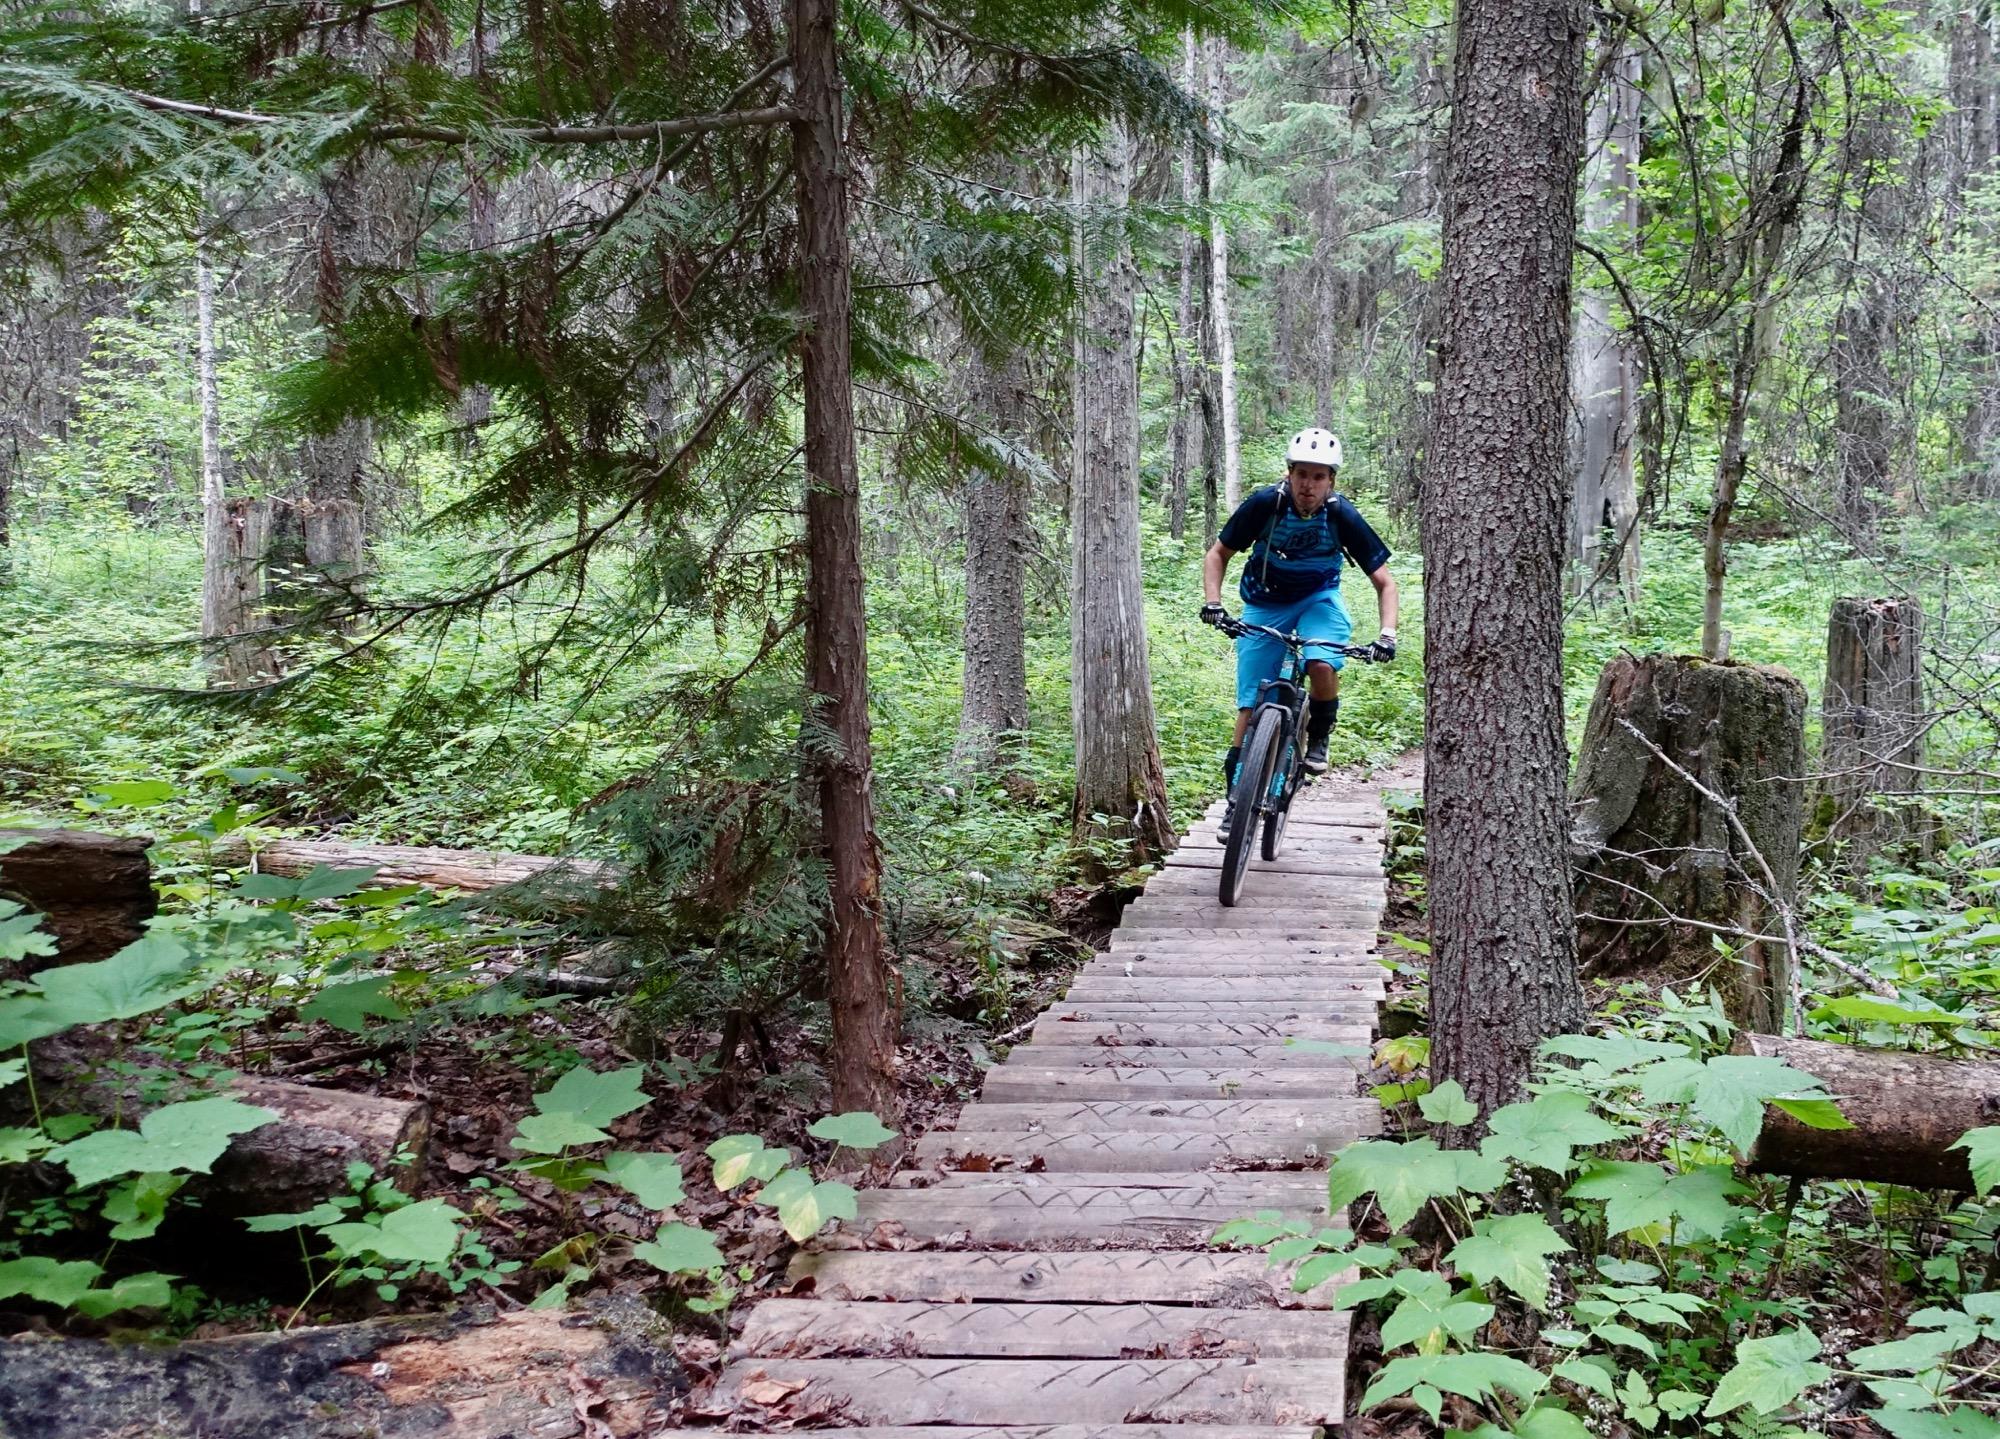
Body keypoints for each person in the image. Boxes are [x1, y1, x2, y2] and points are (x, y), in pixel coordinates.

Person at [1199, 427, 1399, 838]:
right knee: (1250, 704)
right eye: (1302, 474)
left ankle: (1319, 735)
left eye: (1319, 476)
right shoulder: (1264, 504)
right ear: (1289, 473)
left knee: (1322, 662)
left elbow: (1385, 582)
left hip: (1318, 601)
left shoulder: (1341, 514)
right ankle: (1235, 801)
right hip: (1264, 604)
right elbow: (1218, 554)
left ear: (1331, 481)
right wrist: (1215, 603)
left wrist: (1387, 634)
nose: (1309, 485)